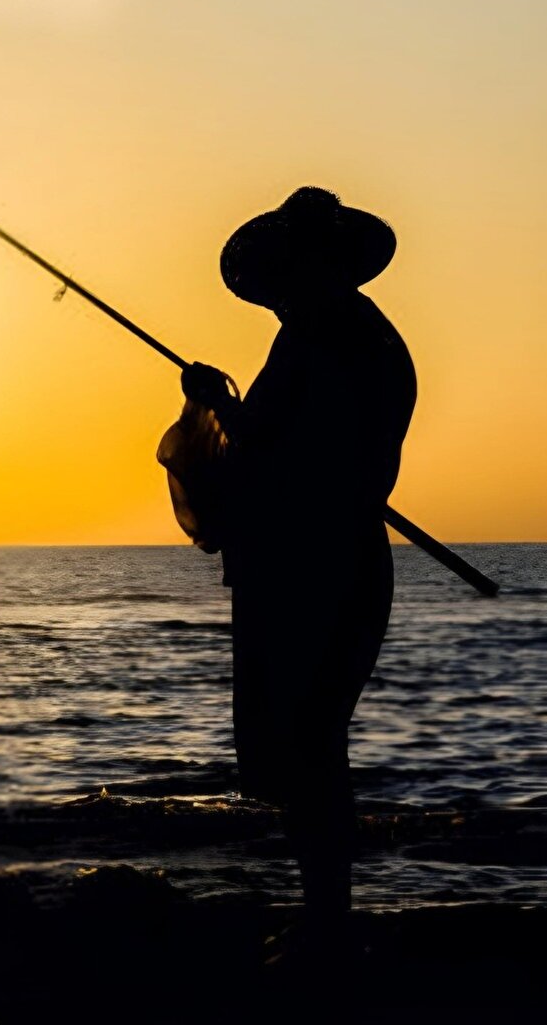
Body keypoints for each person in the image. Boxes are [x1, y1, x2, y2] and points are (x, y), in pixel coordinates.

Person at [162, 187, 416, 952]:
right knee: (310, 744)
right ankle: (322, 914)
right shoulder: (339, 334)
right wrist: (227, 410)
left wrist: (215, 404)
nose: (277, 292)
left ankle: (327, 924)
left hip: (318, 565)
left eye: (287, 270)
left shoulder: (330, 339)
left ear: (316, 264)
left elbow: (284, 448)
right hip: (321, 557)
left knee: (308, 744)